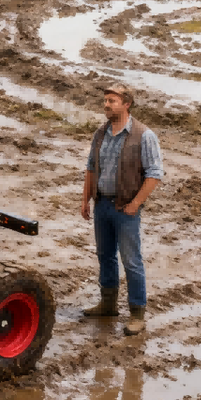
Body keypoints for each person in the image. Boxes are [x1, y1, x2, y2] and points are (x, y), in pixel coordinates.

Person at [81, 82, 163, 335]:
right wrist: (85, 200)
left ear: (127, 104)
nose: (106, 105)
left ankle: (137, 314)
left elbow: (154, 174)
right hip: (102, 205)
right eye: (105, 100)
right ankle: (108, 305)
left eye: (112, 101)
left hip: (126, 209)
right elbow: (91, 168)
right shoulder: (101, 133)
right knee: (105, 256)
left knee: (131, 261)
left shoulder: (144, 136)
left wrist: (135, 204)